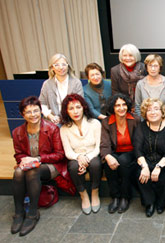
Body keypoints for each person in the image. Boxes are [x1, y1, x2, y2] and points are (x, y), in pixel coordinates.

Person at [11, 96, 74, 236]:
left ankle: (32, 214)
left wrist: (36, 159)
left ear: (41, 111)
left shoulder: (51, 129)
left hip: (51, 166)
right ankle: (19, 212)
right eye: (28, 112)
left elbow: (59, 154)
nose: (33, 115)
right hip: (30, 166)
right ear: (22, 114)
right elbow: (18, 154)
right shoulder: (17, 132)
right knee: (18, 173)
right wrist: (24, 161)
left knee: (33, 172)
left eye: (36, 111)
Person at [60, 94, 102, 215]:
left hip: (93, 154)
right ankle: (83, 195)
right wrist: (79, 158)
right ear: (66, 111)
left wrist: (87, 158)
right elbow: (68, 152)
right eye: (71, 109)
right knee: (73, 167)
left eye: (78, 107)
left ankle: (95, 192)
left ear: (84, 107)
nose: (75, 111)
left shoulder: (95, 123)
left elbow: (98, 147)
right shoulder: (64, 129)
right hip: (75, 156)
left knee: (95, 164)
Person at [135, 98, 165, 217]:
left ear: (162, 111)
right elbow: (137, 149)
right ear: (145, 113)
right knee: (141, 175)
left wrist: (158, 166)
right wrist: (144, 166)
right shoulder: (141, 127)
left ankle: (161, 201)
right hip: (146, 160)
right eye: (149, 110)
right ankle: (149, 203)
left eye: (156, 109)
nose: (152, 112)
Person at [100, 94, 139, 214]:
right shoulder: (107, 122)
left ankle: (125, 197)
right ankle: (115, 197)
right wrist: (107, 156)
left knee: (123, 161)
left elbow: (139, 142)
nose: (121, 108)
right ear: (113, 107)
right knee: (109, 163)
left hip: (132, 152)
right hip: (115, 152)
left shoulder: (135, 119)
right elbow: (105, 144)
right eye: (117, 105)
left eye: (123, 105)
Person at [39, 53, 83, 125]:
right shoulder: (47, 84)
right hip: (53, 120)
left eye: (63, 64)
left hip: (72, 119)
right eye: (56, 65)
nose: (61, 67)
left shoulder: (76, 83)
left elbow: (80, 103)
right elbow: (41, 104)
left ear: (68, 66)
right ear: (52, 68)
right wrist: (51, 116)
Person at [135, 54, 165, 121]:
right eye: (150, 65)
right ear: (146, 67)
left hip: (164, 122)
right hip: (145, 123)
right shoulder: (140, 84)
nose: (153, 69)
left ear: (160, 67)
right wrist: (143, 123)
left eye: (156, 66)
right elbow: (137, 107)